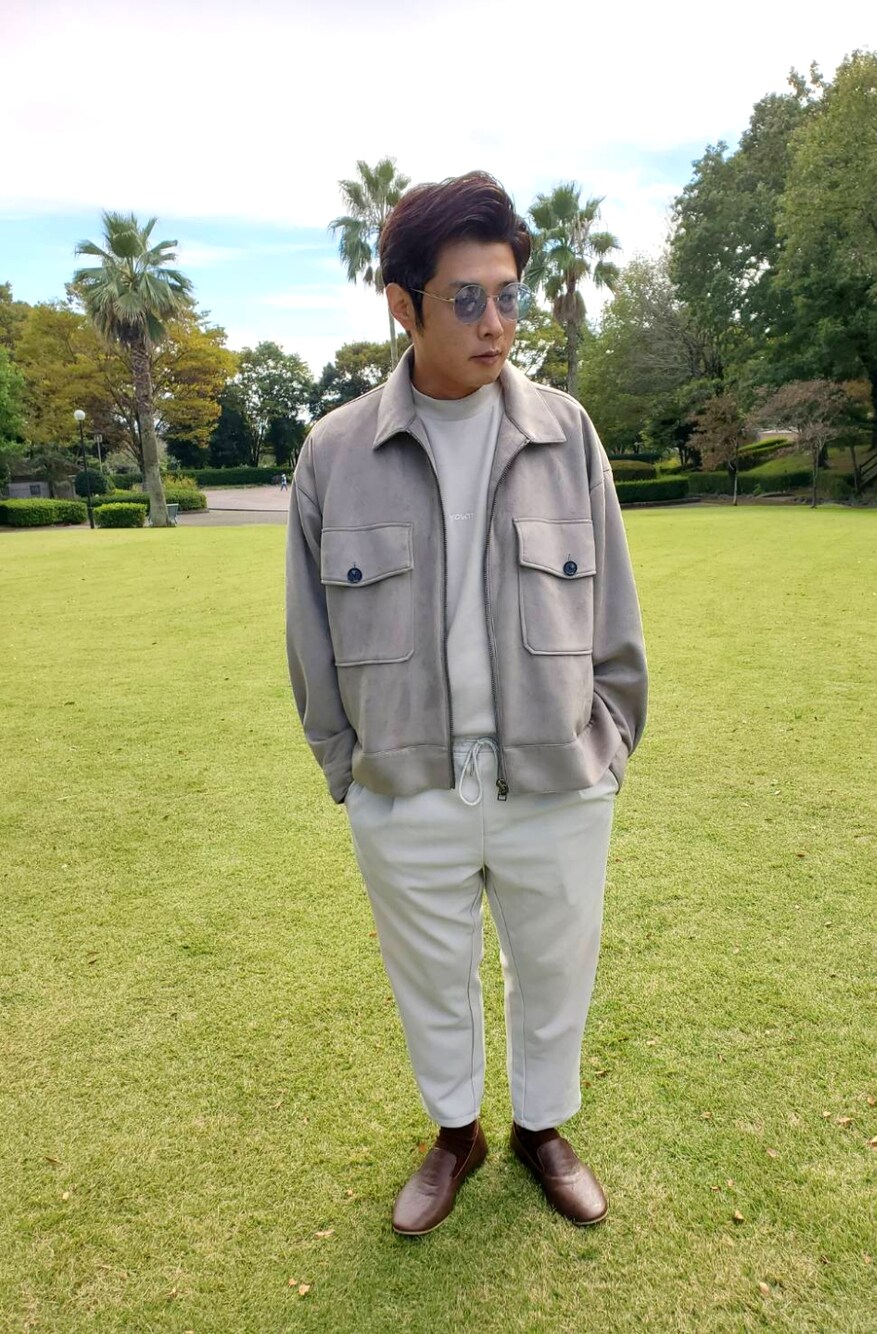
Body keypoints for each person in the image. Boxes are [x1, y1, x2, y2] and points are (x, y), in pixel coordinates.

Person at [285, 171, 647, 1236]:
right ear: (403, 304)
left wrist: (607, 746)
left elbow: (616, 613)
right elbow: (310, 637)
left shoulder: (567, 433)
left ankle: (542, 1127)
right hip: (405, 786)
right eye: (466, 298)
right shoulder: (335, 453)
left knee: (556, 970)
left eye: (508, 295)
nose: (496, 323)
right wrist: (349, 773)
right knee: (431, 981)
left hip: (555, 777)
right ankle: (456, 1133)